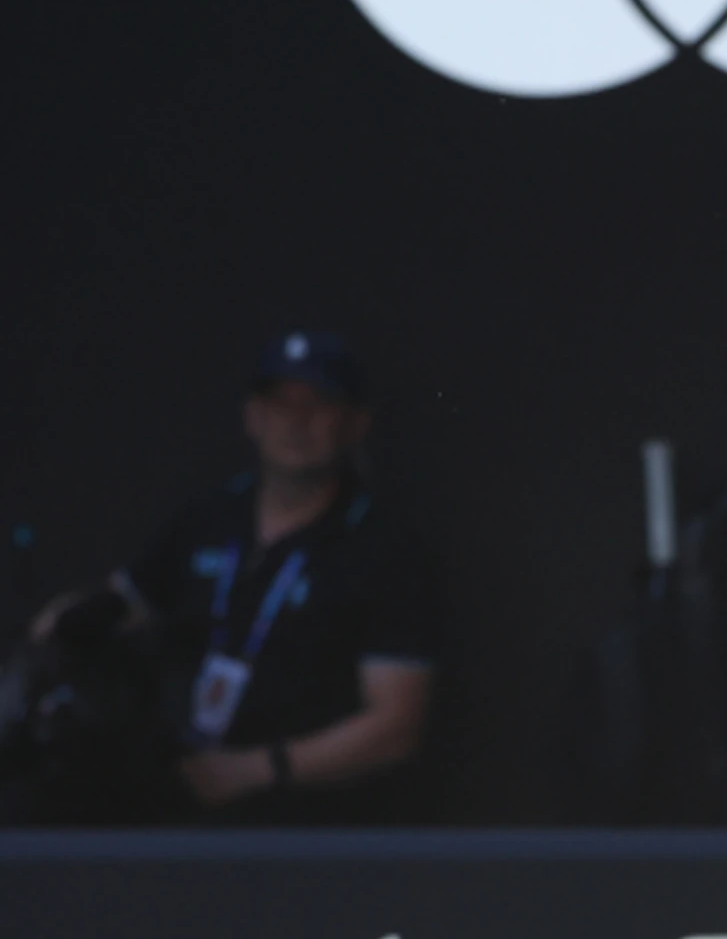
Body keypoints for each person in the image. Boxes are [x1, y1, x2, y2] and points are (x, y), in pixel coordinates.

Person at [13, 332, 438, 823]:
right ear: (253, 417)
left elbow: (396, 726)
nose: (296, 423)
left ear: (355, 424)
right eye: (281, 404)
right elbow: (124, 600)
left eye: (319, 405)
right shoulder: (208, 520)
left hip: (311, 828)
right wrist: (65, 623)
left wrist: (257, 768)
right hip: (180, 807)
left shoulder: (383, 548)